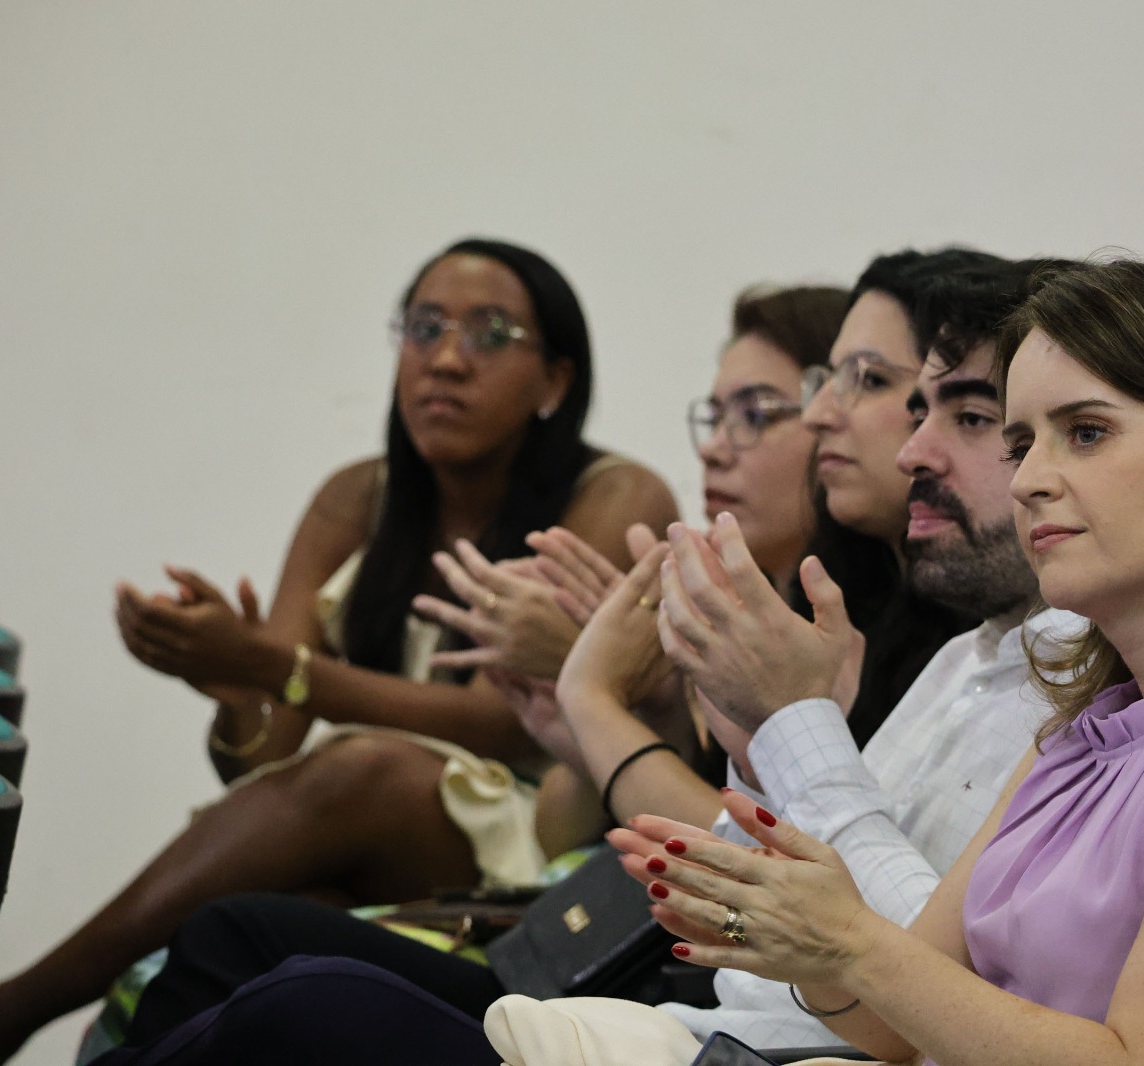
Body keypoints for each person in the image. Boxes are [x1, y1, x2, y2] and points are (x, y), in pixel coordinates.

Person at [86, 249, 1071, 1063]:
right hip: (682, 998)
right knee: (257, 945)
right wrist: (670, 726)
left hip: (695, 1005)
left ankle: (12, 1009)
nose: (841, 424)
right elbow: (765, 899)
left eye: (865, 386)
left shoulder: (1022, 658)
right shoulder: (959, 643)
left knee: (303, 958)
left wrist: (617, 705)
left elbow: (884, 968)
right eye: (422, 328)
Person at [605, 258, 1144, 1066]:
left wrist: (851, 943)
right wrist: (795, 931)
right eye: (1022, 444)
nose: (1030, 481)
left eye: (1085, 433)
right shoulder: (1084, 724)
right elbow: (893, 1029)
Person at [0, 238, 678, 1065]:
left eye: (490, 334)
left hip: (550, 832)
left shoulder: (613, 495)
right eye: (424, 328)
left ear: (555, 380)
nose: (446, 360)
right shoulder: (356, 496)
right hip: (369, 833)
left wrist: (277, 669)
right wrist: (237, 689)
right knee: (280, 924)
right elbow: (263, 759)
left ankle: (3, 1013)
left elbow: (503, 721)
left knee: (363, 768)